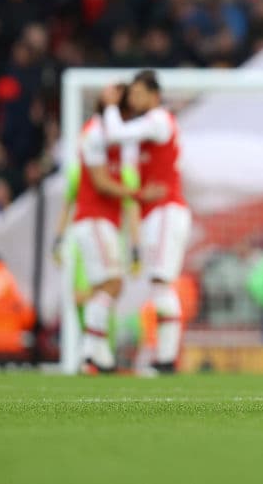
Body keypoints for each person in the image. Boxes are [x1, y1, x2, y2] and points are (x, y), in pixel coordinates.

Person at [101, 70, 191, 374]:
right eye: (132, 94)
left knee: (161, 283)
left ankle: (167, 359)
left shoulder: (160, 120)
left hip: (167, 211)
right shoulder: (140, 137)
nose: (134, 99)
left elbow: (114, 133)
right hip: (154, 214)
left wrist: (111, 105)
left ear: (154, 95)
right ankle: (165, 357)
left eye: (139, 93)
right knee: (158, 283)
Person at [70, 84, 161, 373]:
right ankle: (89, 353)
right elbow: (99, 182)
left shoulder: (115, 141)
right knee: (113, 284)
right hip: (94, 218)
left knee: (104, 287)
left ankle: (96, 357)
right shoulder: (95, 133)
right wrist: (139, 194)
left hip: (104, 221)